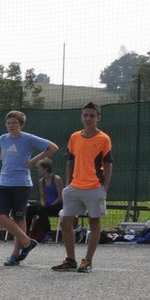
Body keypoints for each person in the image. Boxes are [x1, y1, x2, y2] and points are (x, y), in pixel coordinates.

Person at [52, 101, 113, 275]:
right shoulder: (74, 137)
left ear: (98, 118)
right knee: (65, 221)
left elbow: (108, 165)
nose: (88, 118)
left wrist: (104, 188)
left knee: (94, 222)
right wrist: (69, 183)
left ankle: (87, 260)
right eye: (85, 115)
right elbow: (70, 160)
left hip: (94, 187)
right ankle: (70, 259)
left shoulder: (104, 139)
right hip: (75, 186)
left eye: (92, 115)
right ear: (81, 117)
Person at [0, 110, 57, 266]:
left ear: (21, 124)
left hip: (21, 183)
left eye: (14, 123)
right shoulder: (3, 138)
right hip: (4, 182)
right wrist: (3, 159)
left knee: (19, 217)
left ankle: (15, 255)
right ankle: (28, 242)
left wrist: (34, 160)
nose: (11, 126)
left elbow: (53, 147)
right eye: (8, 123)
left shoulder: (28, 139)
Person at [25, 158, 64, 243]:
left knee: (42, 209)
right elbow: (42, 196)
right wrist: (43, 204)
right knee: (30, 209)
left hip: (57, 205)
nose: (38, 170)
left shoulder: (57, 179)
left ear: (46, 169)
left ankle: (48, 234)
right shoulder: (41, 181)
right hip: (45, 206)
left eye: (40, 168)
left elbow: (60, 197)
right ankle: (25, 233)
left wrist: (49, 205)